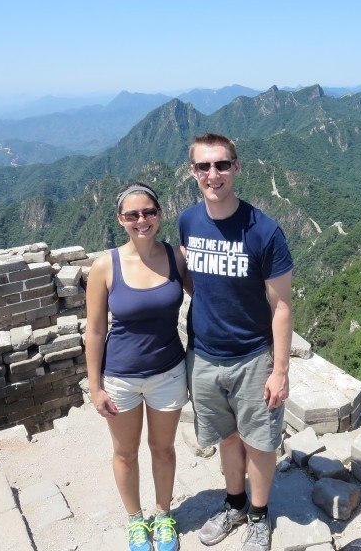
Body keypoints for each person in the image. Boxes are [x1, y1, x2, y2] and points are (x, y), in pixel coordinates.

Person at [178, 133, 293, 551]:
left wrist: (280, 370)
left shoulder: (264, 231)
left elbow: (281, 306)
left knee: (260, 442)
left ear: (236, 167)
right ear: (193, 172)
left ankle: (260, 517)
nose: (214, 174)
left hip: (252, 358)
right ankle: (235, 504)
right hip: (205, 357)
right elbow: (194, 279)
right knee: (226, 438)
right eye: (204, 166)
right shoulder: (188, 221)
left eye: (222, 165)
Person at [85, 182, 189, 551]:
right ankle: (134, 520)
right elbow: (95, 330)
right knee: (125, 452)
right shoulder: (104, 266)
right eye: (133, 214)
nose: (141, 220)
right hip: (120, 378)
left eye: (148, 212)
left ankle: (163, 516)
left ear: (160, 215)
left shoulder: (177, 258)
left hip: (169, 373)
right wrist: (95, 387)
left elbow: (209, 298)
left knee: (163, 449)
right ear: (120, 220)